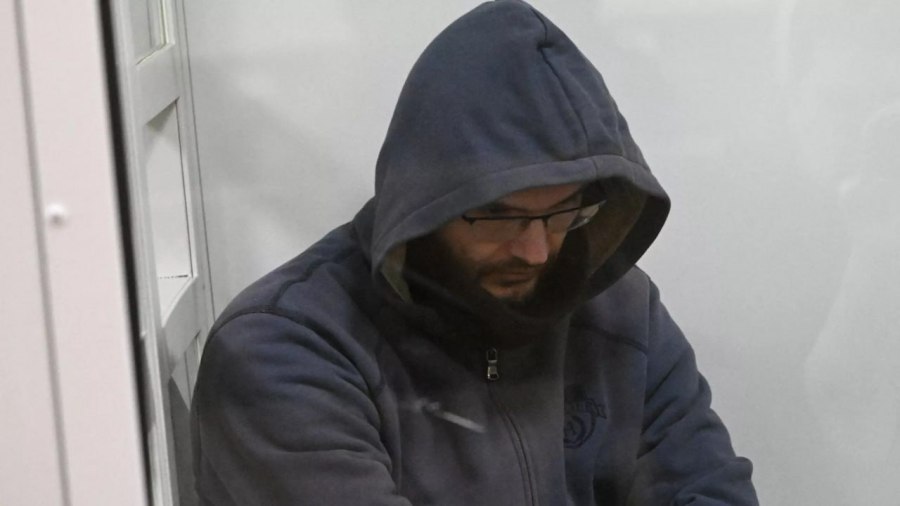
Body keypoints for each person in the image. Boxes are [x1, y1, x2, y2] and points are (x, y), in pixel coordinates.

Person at [190, 1, 758, 504]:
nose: (536, 251)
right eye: (500, 215)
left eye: (565, 211)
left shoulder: (623, 312)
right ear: (425, 203)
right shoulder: (282, 353)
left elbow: (711, 488)